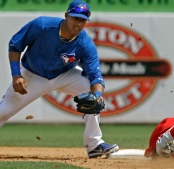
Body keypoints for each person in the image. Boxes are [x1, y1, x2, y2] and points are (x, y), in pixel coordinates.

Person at [0, 0, 119, 158]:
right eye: (76, 18)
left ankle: (94, 144)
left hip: (65, 75)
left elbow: (96, 76)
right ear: (66, 15)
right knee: (3, 112)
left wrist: (97, 96)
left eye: (82, 20)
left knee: (91, 92)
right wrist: (16, 75)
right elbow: (15, 46)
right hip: (32, 74)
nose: (79, 23)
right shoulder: (42, 25)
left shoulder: (85, 44)